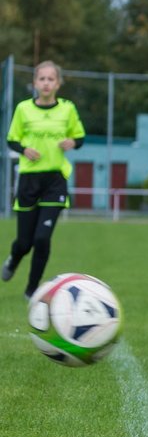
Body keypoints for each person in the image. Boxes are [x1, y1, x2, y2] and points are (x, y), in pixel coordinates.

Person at [3, 61, 86, 299]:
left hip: (55, 181)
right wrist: (24, 149)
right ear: (35, 83)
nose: (46, 83)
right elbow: (11, 140)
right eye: (42, 79)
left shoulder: (67, 109)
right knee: (24, 242)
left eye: (51, 79)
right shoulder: (23, 109)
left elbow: (79, 137)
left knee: (42, 239)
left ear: (58, 83)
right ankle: (13, 258)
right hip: (29, 181)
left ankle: (31, 290)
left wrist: (72, 142)